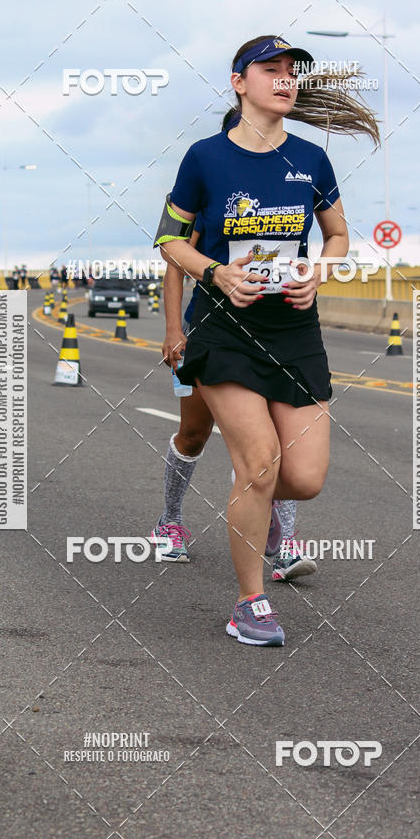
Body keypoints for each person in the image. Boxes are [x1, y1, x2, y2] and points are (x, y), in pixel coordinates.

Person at [155, 35, 379, 646]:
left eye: (292, 72)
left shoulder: (311, 159)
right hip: (223, 329)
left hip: (293, 330)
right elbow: (169, 241)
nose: (285, 79)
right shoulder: (204, 158)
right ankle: (249, 604)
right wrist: (216, 273)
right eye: (271, 69)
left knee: (303, 478)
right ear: (239, 83)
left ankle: (252, 505)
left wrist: (319, 271)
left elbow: (337, 235)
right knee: (258, 465)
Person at [155, 217, 317, 582]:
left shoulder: (285, 193)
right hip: (213, 332)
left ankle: (286, 543)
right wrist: (173, 329)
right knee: (193, 434)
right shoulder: (196, 193)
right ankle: (170, 521)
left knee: (275, 442)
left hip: (275, 331)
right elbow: (175, 262)